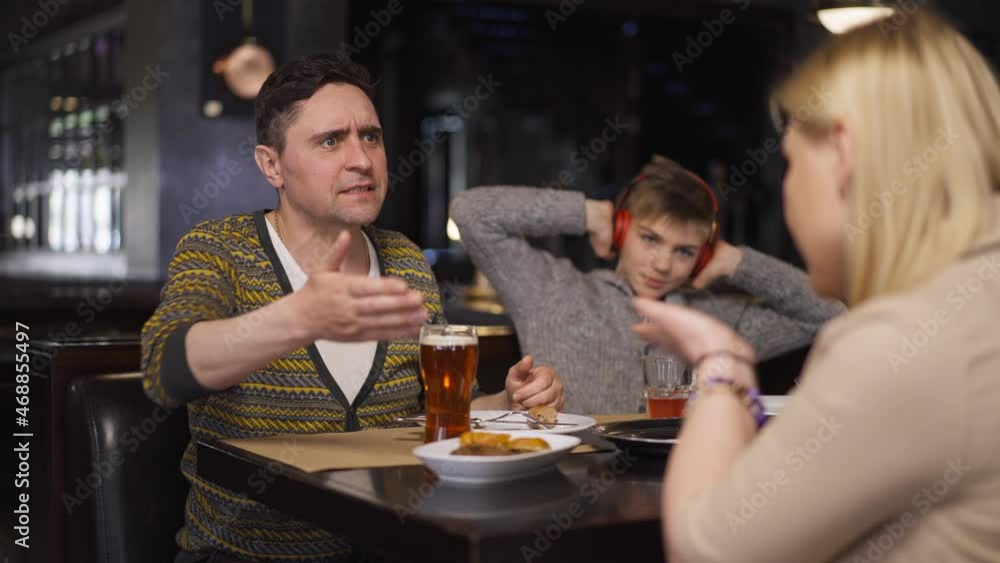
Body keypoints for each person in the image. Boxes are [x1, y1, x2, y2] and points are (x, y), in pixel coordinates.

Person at [141, 55, 564, 563]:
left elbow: (441, 417)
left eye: (371, 137)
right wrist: (301, 318)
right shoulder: (220, 248)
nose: (362, 159)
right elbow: (164, 368)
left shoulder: (404, 259)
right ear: (271, 164)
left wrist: (505, 407)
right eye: (330, 141)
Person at [633, 11, 1000, 563]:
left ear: (844, 156)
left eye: (790, 161)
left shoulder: (902, 344)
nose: (787, 187)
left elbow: (707, 547)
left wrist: (718, 363)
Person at [450, 155, 843, 414]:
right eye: (650, 239)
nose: (663, 263)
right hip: (566, 484)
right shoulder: (552, 290)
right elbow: (472, 213)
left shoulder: (710, 319)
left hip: (675, 492)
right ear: (622, 231)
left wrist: (737, 262)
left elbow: (828, 314)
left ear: (702, 258)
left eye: (685, 251)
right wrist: (589, 214)